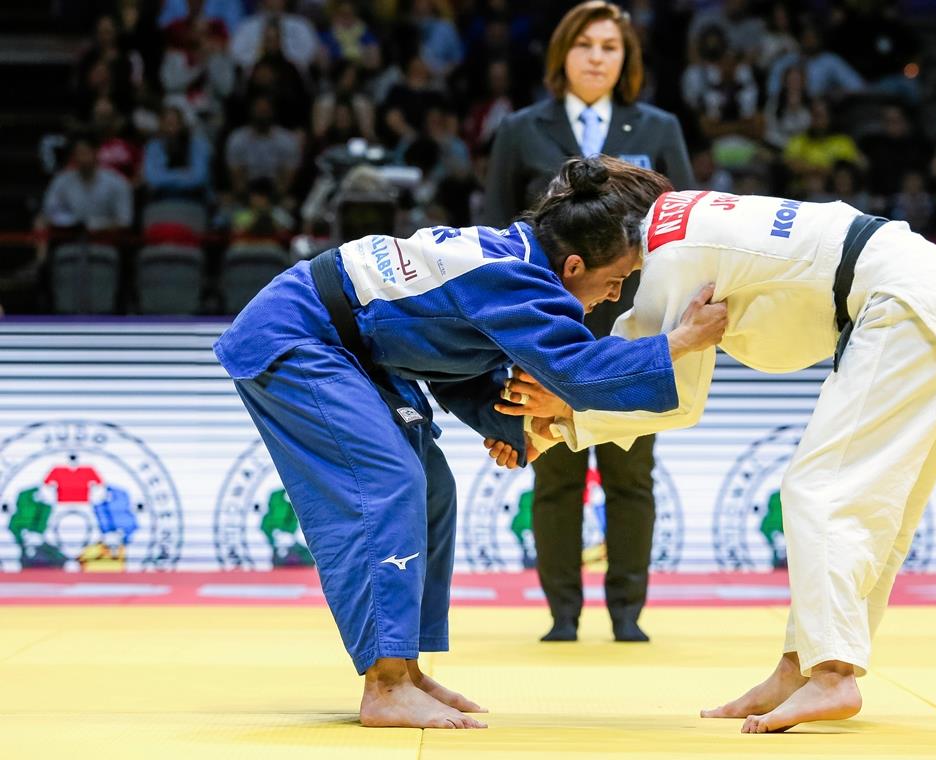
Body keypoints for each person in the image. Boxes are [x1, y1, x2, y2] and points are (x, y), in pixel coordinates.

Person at [213, 155, 728, 729]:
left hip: (353, 346)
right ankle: (384, 682)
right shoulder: (513, 276)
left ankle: (404, 668)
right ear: (575, 263)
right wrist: (678, 342)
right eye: (614, 282)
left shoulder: (512, 259)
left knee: (432, 486)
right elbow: (578, 372)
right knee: (390, 482)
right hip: (297, 336)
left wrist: (506, 427)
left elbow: (449, 362)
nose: (613, 297)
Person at [497, 185, 936, 733]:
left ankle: (831, 674)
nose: (598, 301)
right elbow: (643, 360)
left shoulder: (670, 256)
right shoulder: (681, 220)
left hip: (904, 306)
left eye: (589, 285)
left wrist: (557, 419)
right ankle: (801, 669)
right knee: (878, 507)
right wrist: (558, 421)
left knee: (821, 491)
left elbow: (673, 397)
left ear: (578, 258)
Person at [482, 0, 696, 644]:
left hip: (637, 324)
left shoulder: (658, 127)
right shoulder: (521, 129)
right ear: (562, 56)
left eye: (610, 46)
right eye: (585, 45)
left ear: (626, 58)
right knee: (553, 470)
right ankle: (562, 615)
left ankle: (628, 613)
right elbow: (498, 229)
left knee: (632, 473)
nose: (597, 56)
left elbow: (687, 229)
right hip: (546, 327)